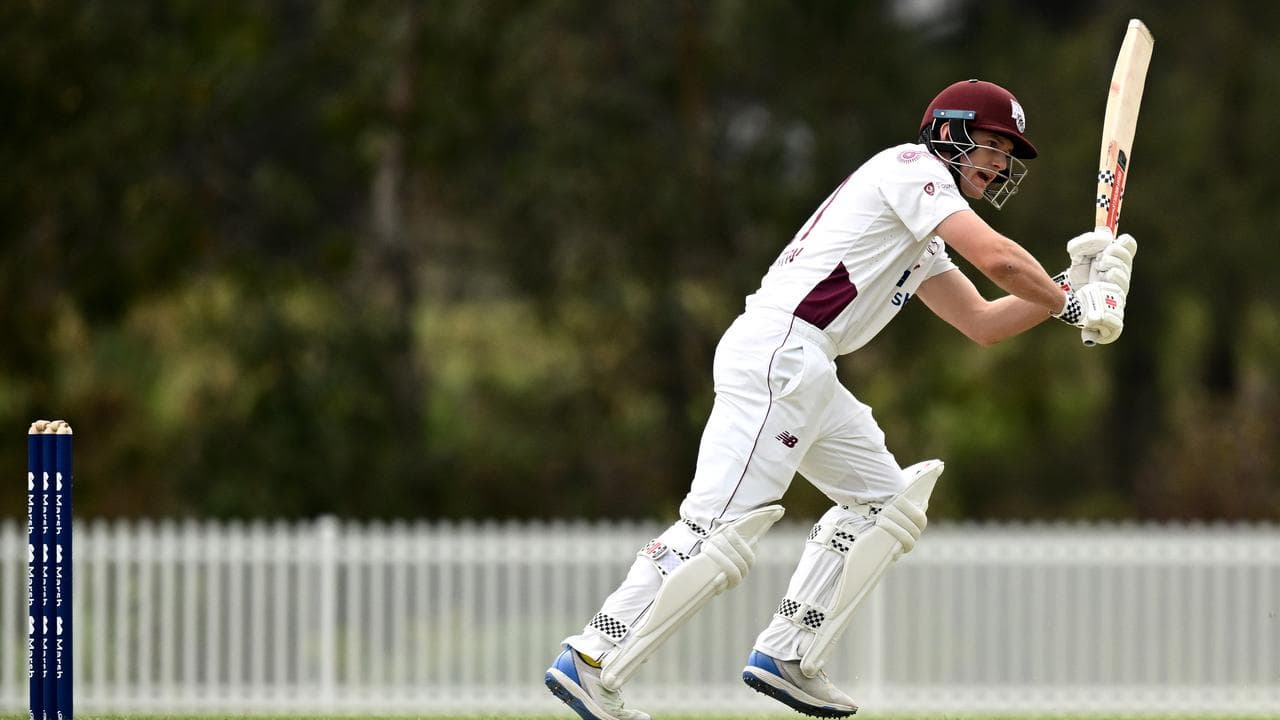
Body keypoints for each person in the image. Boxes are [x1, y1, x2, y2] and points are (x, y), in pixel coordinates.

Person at [543, 79, 1137, 720]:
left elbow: (983, 322)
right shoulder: (909, 169)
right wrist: (1073, 305)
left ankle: (788, 655)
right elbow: (997, 261)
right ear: (948, 132)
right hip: (780, 355)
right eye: (991, 143)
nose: (998, 162)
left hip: (807, 367)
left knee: (886, 506)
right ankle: (592, 661)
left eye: (1006, 152)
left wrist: (1070, 282)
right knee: (716, 532)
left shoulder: (921, 232)